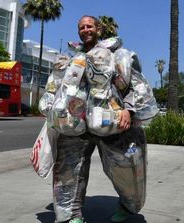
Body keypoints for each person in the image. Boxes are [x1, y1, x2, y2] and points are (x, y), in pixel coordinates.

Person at [38, 15, 157, 223]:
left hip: (111, 124)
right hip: (74, 126)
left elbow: (135, 86)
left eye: (89, 26)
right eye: (82, 27)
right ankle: (70, 216)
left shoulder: (116, 55)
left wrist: (128, 110)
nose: (85, 30)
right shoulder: (70, 57)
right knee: (68, 171)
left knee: (126, 168)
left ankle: (129, 205)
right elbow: (55, 87)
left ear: (98, 29)